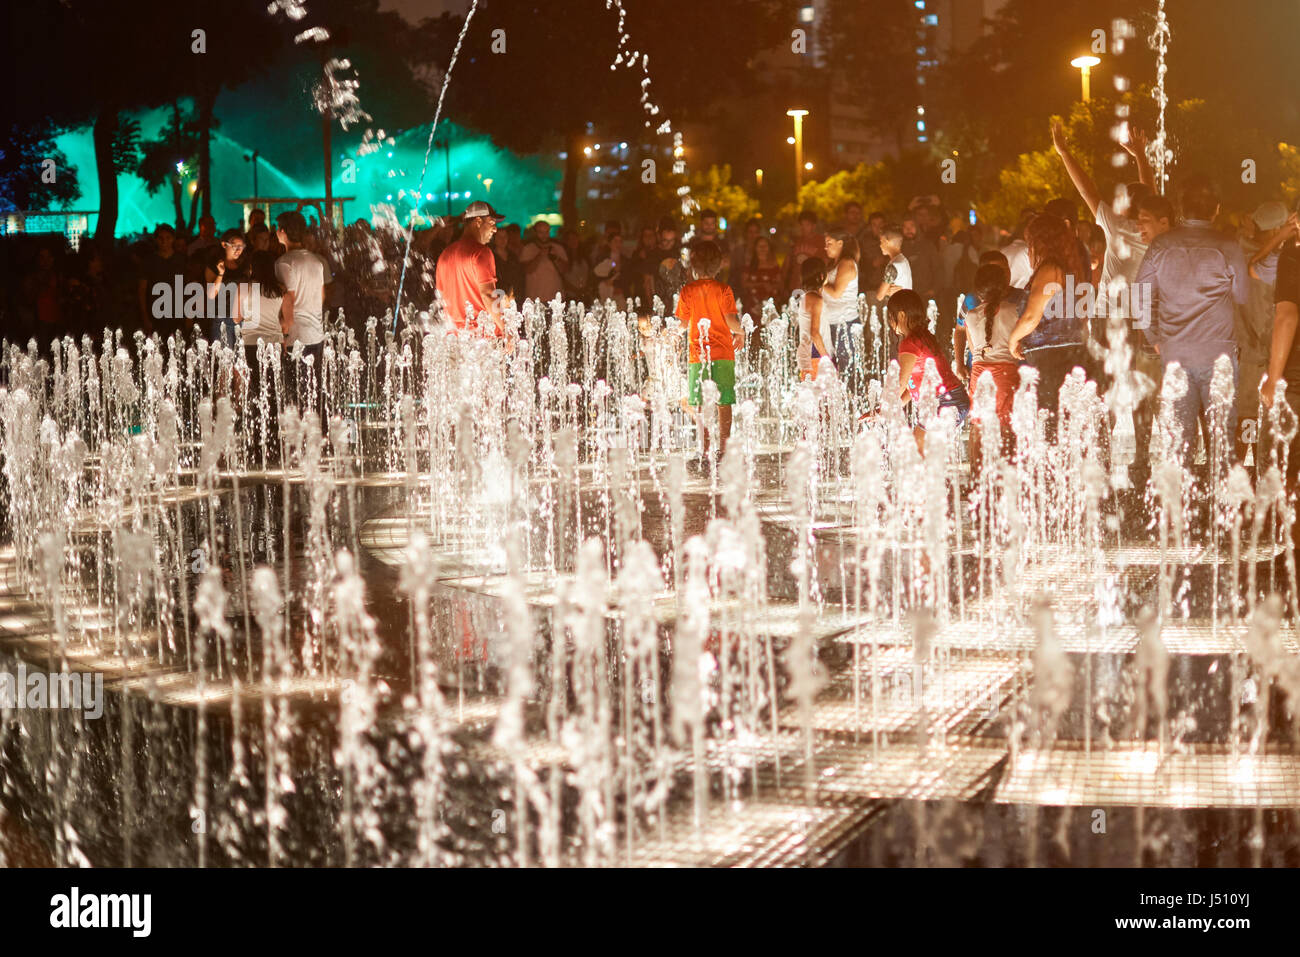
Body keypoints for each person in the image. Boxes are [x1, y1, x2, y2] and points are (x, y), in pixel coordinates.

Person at [1134, 174, 1248, 465]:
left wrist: (1154, 338)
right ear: (1216, 209)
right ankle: (1223, 506)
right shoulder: (1227, 245)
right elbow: (1242, 295)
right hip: (1218, 354)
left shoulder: (1160, 246)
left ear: (1181, 210)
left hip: (1175, 354)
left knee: (1179, 444)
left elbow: (1140, 297)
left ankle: (1181, 508)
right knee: (1222, 440)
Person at [1006, 212, 1091, 437]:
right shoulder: (1067, 269)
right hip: (1066, 357)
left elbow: (1032, 316)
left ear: (1041, 242)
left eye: (1031, 242)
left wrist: (1013, 340)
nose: (1029, 249)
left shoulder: (1050, 270)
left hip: (1050, 358)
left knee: (1050, 424)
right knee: (1061, 425)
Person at [674, 240, 743, 460]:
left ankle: (703, 448)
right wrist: (741, 332)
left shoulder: (687, 291)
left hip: (698, 356)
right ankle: (723, 447)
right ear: (718, 266)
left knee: (700, 403)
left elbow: (682, 325)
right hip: (723, 354)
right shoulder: (724, 290)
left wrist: (669, 336)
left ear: (693, 268)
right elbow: (731, 321)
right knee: (724, 402)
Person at [884, 288, 970, 455]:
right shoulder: (924, 336)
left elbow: (901, 383)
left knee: (917, 453)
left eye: (891, 317)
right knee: (924, 455)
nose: (890, 322)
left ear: (901, 315)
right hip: (952, 400)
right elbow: (913, 385)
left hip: (945, 402)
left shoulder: (909, 343)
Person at [964, 262, 1022, 465]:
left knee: (979, 427)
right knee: (1007, 429)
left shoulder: (970, 316)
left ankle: (978, 480)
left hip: (980, 375)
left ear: (978, 291)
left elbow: (973, 351)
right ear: (1005, 288)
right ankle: (1008, 478)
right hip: (1007, 375)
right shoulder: (1014, 311)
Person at [1259, 211, 1300, 485]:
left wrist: (1273, 380)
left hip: (1296, 379)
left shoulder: (1293, 258)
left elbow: (1286, 317)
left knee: (1281, 475)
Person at [275, 210, 327, 418]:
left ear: (284, 232)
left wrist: (284, 330)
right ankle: (318, 433)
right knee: (314, 389)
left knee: (296, 391)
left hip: (295, 335)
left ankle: (301, 437)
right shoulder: (315, 261)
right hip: (316, 333)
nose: (276, 233)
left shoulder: (284, 263)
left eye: (278, 229)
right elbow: (321, 295)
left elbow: (288, 298)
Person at [434, 200, 506, 335]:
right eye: (491, 223)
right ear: (478, 221)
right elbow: (488, 295)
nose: (495, 229)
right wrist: (506, 329)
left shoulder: (444, 254)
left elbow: (441, 298)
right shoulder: (481, 252)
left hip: (453, 337)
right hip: (481, 337)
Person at [821, 230, 860, 373]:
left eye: (829, 243)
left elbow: (837, 293)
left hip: (844, 323)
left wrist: (820, 282)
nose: (826, 247)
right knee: (833, 367)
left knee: (846, 368)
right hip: (831, 321)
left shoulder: (847, 263)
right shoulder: (834, 263)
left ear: (840, 243)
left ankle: (849, 394)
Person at [138, 224, 187, 334]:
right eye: (161, 238)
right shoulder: (149, 261)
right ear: (156, 240)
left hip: (177, 313)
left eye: (168, 238)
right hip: (155, 313)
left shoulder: (182, 260)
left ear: (173, 239)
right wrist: (145, 318)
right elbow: (142, 290)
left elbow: (188, 288)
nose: (164, 241)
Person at [206, 228, 249, 348]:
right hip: (221, 318)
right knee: (225, 360)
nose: (239, 250)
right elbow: (210, 294)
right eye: (235, 246)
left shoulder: (244, 266)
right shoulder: (214, 265)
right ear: (224, 245)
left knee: (240, 361)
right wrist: (220, 274)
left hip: (242, 318)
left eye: (242, 246)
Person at [795, 257, 832, 381]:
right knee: (820, 395)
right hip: (815, 355)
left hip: (808, 354)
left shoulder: (806, 296)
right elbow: (815, 333)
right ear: (821, 276)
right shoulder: (816, 299)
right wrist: (827, 359)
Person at [520, 219, 567, 303]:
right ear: (535, 233)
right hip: (535, 299)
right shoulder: (528, 249)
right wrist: (540, 255)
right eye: (540, 232)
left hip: (556, 299)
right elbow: (527, 270)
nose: (544, 235)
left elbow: (565, 270)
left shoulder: (558, 248)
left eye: (546, 232)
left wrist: (555, 257)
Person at [782, 211, 824, 295]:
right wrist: (783, 283)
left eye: (807, 225)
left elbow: (825, 264)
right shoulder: (795, 242)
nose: (803, 228)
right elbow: (787, 264)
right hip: (795, 285)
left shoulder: (821, 242)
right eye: (801, 225)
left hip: (812, 286)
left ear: (813, 226)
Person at [652, 216, 687, 306]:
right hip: (659, 300)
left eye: (672, 241)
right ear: (659, 236)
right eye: (665, 241)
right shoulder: (653, 254)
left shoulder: (679, 252)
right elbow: (648, 281)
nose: (669, 244)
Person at [744, 236, 783, 308]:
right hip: (753, 303)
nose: (762, 248)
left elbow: (780, 283)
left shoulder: (774, 265)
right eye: (760, 246)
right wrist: (760, 284)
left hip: (771, 303)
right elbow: (744, 283)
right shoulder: (750, 264)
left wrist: (772, 286)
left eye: (765, 246)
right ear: (755, 248)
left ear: (769, 247)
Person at [876, 226, 912, 300]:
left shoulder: (893, 266)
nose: (880, 245)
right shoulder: (904, 260)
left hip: (899, 307)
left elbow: (879, 296)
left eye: (881, 242)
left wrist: (886, 291)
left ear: (886, 242)